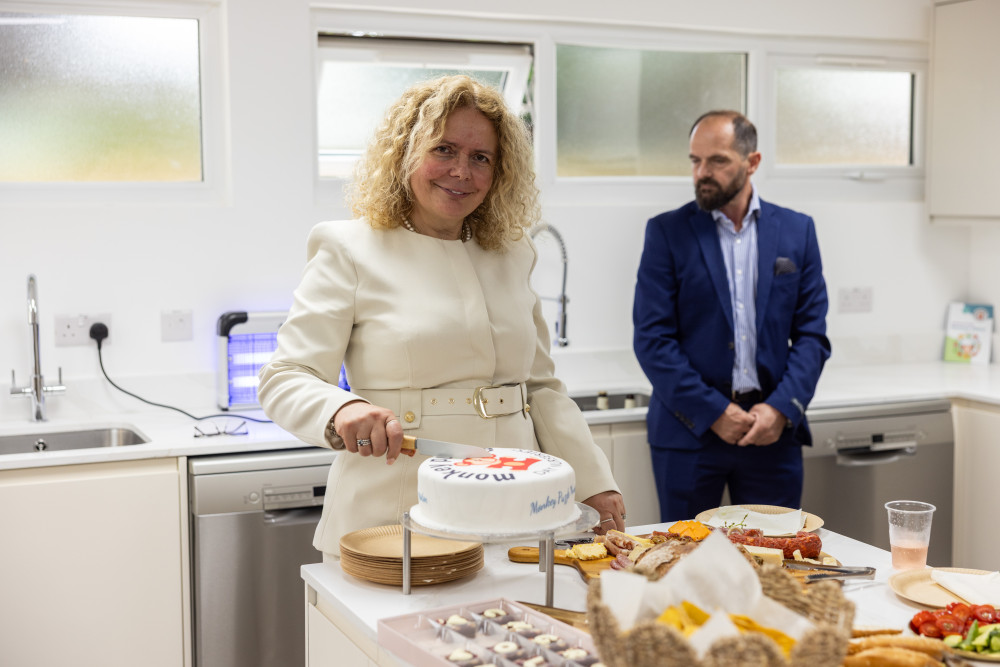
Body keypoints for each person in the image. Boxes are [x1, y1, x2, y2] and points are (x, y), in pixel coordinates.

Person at [258, 75, 625, 558]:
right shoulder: (348, 248)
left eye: (481, 158)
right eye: (444, 150)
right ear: (405, 152)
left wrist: (593, 480)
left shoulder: (513, 252)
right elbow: (285, 376)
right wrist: (341, 409)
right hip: (395, 514)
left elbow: (539, 389)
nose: (461, 172)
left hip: (515, 510)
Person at [632, 110, 831, 523]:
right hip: (690, 434)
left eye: (717, 161)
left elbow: (812, 337)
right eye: (695, 161)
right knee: (682, 563)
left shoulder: (798, 231)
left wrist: (780, 409)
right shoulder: (667, 233)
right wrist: (714, 413)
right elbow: (653, 341)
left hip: (771, 435)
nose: (702, 172)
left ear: (752, 162)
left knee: (776, 567)